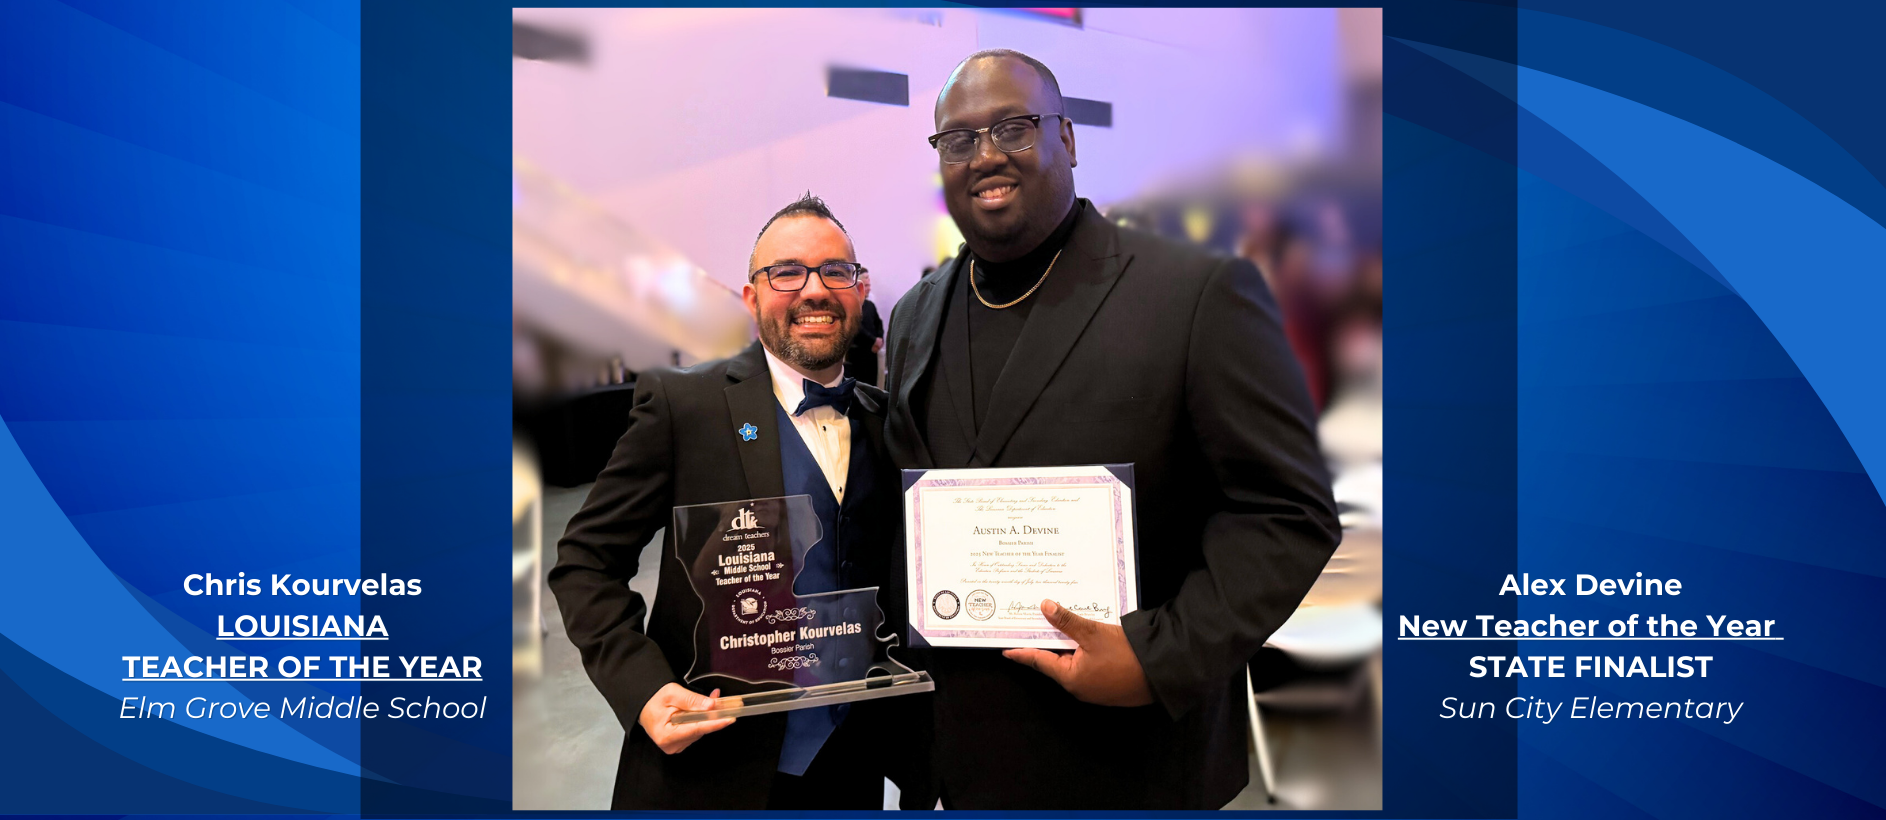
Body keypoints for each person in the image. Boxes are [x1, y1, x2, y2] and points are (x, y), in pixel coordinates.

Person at [882, 49, 1341, 809]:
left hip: (1131, 758)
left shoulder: (1197, 294)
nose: (985, 154)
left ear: (1067, 139)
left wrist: (1160, 659)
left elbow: (1286, 513)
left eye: (1014, 127)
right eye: (958, 140)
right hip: (959, 758)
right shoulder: (914, 316)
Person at [551, 194, 927, 809]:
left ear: (859, 292)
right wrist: (642, 688)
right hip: (708, 764)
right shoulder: (684, 407)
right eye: (787, 272)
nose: (814, 290)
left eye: (836, 271)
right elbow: (584, 562)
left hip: (851, 767)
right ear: (752, 297)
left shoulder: (887, 422)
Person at [844, 272, 885, 386]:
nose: (869, 289)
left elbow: (878, 323)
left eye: (869, 285)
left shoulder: (870, 305)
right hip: (857, 356)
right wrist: (873, 340)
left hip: (872, 353)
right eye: (866, 286)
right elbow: (856, 327)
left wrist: (880, 339)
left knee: (872, 388)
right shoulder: (851, 305)